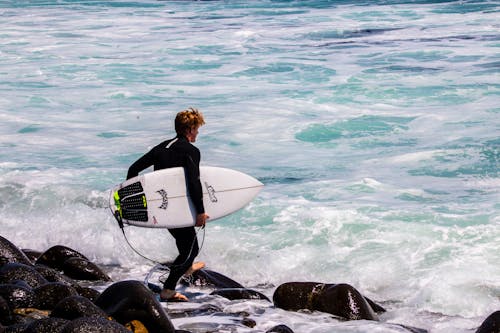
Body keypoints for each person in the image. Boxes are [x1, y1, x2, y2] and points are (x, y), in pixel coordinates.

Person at [126, 107, 209, 301]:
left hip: (162, 208)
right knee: (192, 249)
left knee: (185, 244)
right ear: (189, 129)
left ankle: (187, 267)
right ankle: (168, 289)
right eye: (196, 129)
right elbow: (193, 181)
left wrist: (134, 201)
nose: (197, 133)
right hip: (179, 208)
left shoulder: (162, 147)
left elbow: (133, 169)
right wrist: (201, 212)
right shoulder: (191, 151)